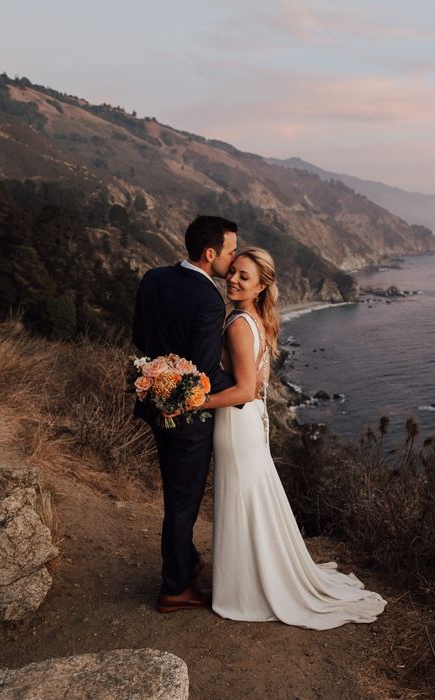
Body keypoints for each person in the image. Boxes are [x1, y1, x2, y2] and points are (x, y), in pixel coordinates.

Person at [202, 247, 386, 629]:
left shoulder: (238, 323)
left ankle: (243, 590)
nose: (233, 279)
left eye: (244, 276)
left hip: (236, 422)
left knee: (240, 500)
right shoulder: (253, 319)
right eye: (232, 272)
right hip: (248, 423)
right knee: (249, 501)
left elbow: (243, 390)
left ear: (261, 285)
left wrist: (193, 402)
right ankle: (248, 580)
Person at [132, 215, 239, 613]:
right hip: (189, 420)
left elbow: (140, 338)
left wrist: (161, 376)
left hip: (156, 407)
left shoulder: (154, 277)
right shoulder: (209, 299)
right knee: (183, 503)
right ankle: (174, 587)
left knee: (175, 494)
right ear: (210, 254)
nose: (235, 258)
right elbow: (206, 372)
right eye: (231, 251)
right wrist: (246, 390)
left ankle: (187, 561)